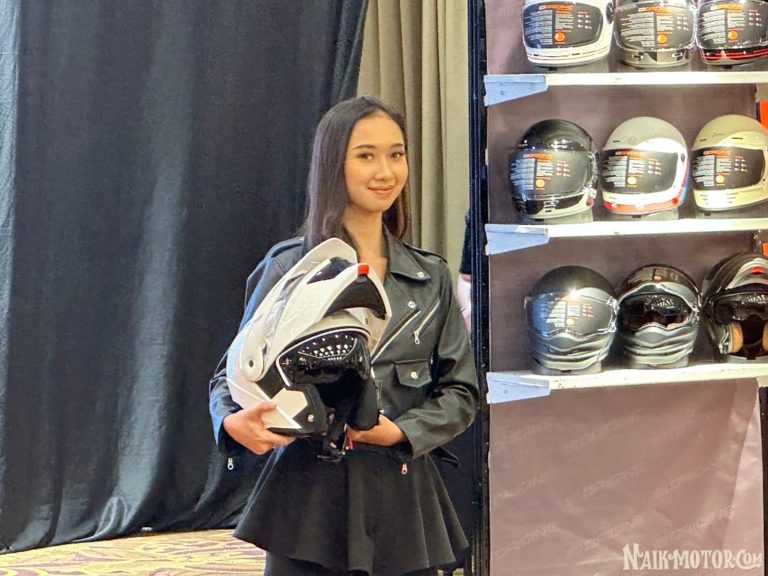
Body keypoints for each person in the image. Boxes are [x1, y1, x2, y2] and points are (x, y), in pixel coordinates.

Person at [209, 96, 479, 576]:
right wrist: (232, 423)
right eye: (366, 155)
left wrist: (400, 431)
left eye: (396, 154)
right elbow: (230, 376)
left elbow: (461, 392)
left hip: (404, 503)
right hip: (306, 504)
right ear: (334, 165)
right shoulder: (289, 268)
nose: (386, 172)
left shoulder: (430, 277)